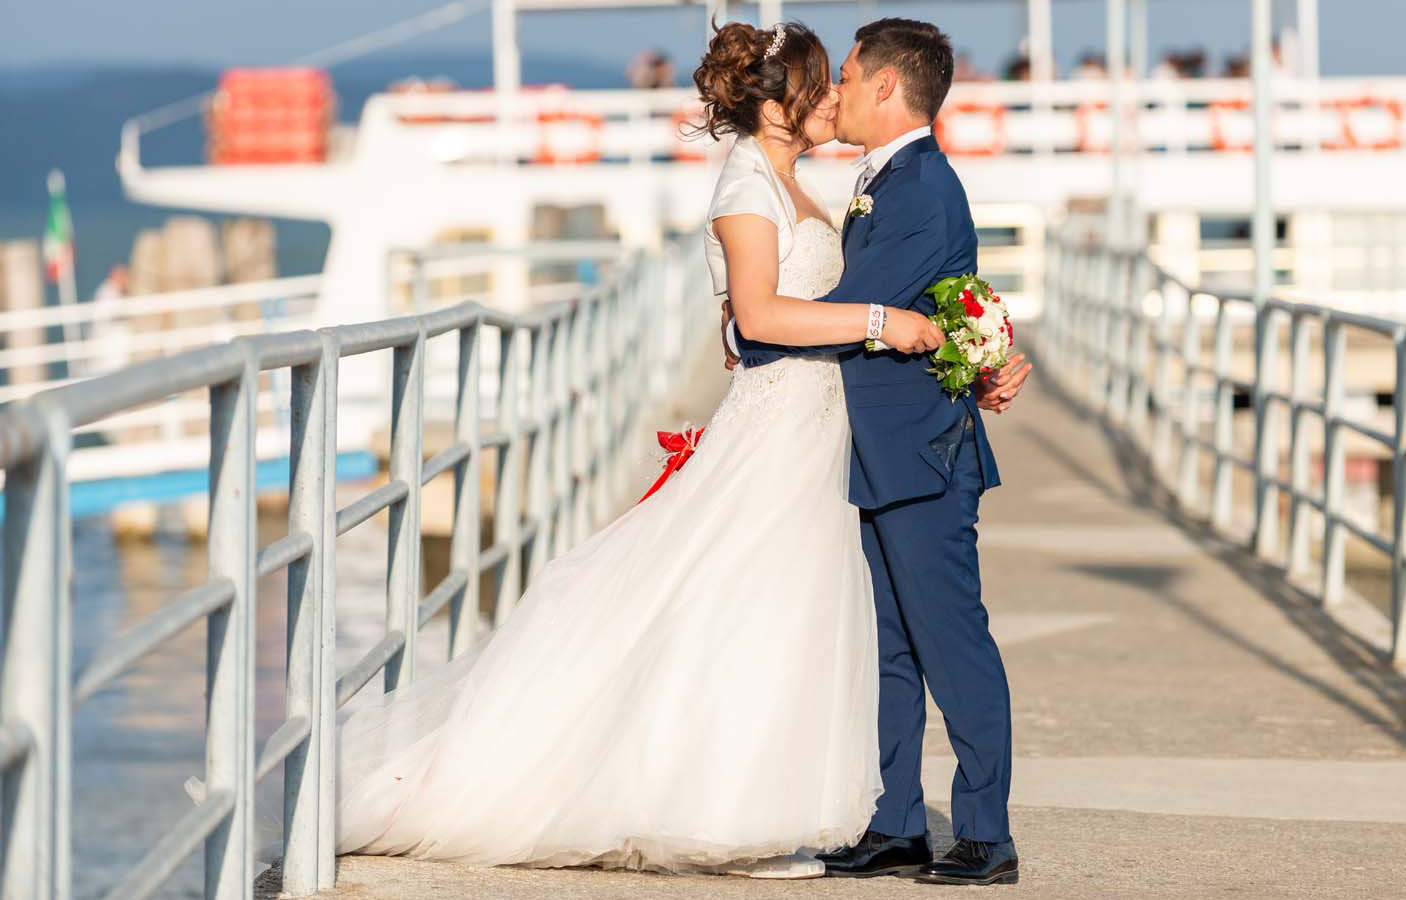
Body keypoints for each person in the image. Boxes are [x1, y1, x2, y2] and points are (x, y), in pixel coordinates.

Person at [317, 20, 961, 882]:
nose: (835, 97)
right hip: (778, 425)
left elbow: (756, 315)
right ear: (779, 105)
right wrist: (881, 323)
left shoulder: (800, 184)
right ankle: (725, 816)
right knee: (743, 609)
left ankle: (759, 803)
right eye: (822, 83)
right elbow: (763, 318)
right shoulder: (746, 188)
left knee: (779, 613)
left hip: (817, 424)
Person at [726, 18, 1028, 886]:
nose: (837, 92)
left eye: (850, 76)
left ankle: (984, 834)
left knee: (950, 640)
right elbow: (941, 304)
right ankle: (895, 822)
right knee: (888, 647)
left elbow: (858, 305)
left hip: (920, 454)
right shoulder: (882, 182)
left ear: (888, 86)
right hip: (872, 447)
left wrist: (754, 334)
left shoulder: (921, 188)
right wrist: (981, 361)